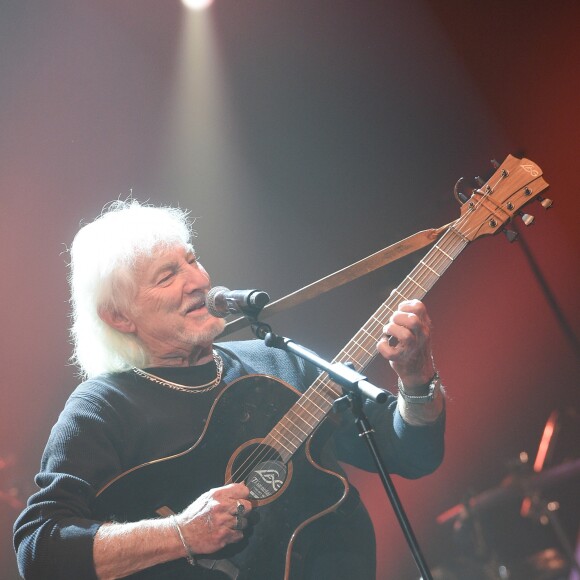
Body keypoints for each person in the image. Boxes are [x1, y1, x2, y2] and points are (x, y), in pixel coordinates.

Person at [13, 200, 446, 579]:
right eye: (168, 276)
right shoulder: (102, 407)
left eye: (192, 260)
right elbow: (41, 548)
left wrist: (415, 376)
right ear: (120, 317)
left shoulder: (278, 359)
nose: (198, 280)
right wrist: (181, 533)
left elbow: (411, 454)